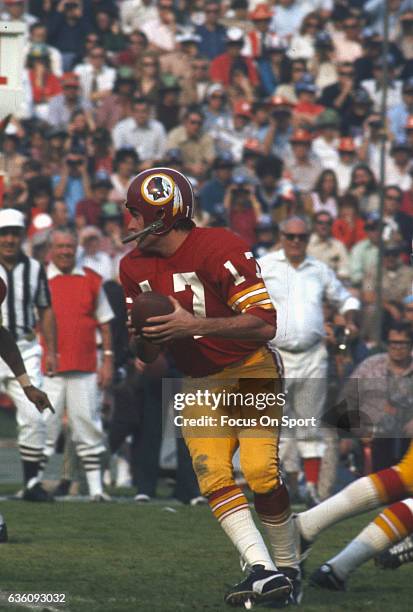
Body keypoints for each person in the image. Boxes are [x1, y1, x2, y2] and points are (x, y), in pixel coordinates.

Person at [119, 167, 301, 607]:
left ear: (164, 215)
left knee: (260, 473)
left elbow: (265, 324)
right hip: (198, 378)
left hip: (250, 367)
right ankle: (263, 568)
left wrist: (193, 325)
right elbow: (145, 356)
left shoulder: (221, 247)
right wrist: (144, 335)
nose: (129, 223)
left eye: (136, 213)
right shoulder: (133, 266)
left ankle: (290, 565)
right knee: (213, 474)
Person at [295, 325, 413, 591]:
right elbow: (347, 401)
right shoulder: (373, 365)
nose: (398, 348)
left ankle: (332, 563)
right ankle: (312, 534)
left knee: (406, 478)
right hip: (372, 431)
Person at [259, 216, 360, 505]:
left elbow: (346, 299)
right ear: (281, 236)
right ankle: (282, 485)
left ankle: (312, 487)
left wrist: (349, 320)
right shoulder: (266, 265)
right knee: (277, 424)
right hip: (276, 353)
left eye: (301, 237)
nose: (295, 242)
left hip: (314, 353)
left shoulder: (319, 269)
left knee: (308, 423)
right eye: (290, 236)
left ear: (308, 239)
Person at [41, 228, 114, 501]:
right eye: (60, 246)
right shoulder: (41, 279)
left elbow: (106, 325)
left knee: (88, 426)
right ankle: (33, 483)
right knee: (44, 426)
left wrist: (107, 360)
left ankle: (96, 489)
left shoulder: (92, 280)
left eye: (69, 247)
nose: (65, 251)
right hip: (49, 366)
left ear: (76, 249)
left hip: (85, 365)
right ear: (51, 249)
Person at [0, 208, 57, 501]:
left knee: (35, 417)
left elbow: (45, 309)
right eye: (4, 233)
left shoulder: (35, 268)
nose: (9, 239)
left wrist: (52, 350)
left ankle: (32, 482)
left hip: (20, 345)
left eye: (14, 234)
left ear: (22, 237)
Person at [307, 211, 350, 282]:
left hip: (332, 283)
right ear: (314, 225)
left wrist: (339, 275)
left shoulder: (338, 245)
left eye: (327, 223)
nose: (324, 226)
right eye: (320, 223)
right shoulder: (306, 244)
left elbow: (345, 267)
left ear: (331, 225)